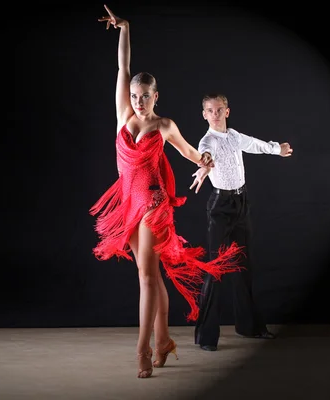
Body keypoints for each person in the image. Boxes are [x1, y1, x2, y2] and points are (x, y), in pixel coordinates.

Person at [90, 6, 243, 378]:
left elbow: (192, 153)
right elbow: (122, 67)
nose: (139, 102)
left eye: (145, 96)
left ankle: (143, 351)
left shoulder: (164, 125)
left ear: (156, 96)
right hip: (129, 201)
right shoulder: (123, 116)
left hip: (154, 205)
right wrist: (125, 28)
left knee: (146, 277)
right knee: (152, 276)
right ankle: (164, 341)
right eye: (135, 96)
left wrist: (205, 160)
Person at [190, 93, 293, 351]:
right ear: (204, 114)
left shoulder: (234, 136)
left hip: (241, 204)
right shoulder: (207, 140)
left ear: (227, 111)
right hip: (220, 208)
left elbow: (255, 144)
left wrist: (276, 149)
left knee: (243, 267)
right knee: (215, 270)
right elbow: (205, 154)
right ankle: (206, 336)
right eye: (210, 110)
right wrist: (204, 163)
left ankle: (249, 327)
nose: (215, 114)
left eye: (219, 109)